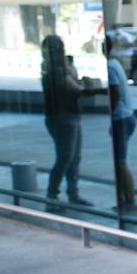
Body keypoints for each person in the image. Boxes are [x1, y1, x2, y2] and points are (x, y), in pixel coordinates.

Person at [40, 35, 106, 210]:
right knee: (66, 159)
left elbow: (73, 87)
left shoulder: (54, 69)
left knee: (72, 158)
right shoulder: (56, 71)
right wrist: (96, 89)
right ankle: (53, 196)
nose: (61, 51)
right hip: (63, 119)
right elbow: (76, 91)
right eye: (58, 48)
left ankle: (70, 194)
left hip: (66, 117)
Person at [104, 35, 137, 214]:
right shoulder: (115, 63)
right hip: (127, 116)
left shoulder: (109, 67)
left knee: (120, 162)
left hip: (121, 119)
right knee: (120, 161)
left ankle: (131, 201)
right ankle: (124, 200)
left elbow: (115, 94)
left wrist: (111, 116)